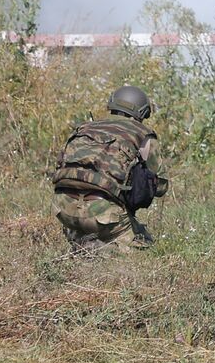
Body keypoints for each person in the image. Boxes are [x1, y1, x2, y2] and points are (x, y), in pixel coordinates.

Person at [51, 85, 169, 254]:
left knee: (84, 237)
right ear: (142, 112)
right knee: (145, 246)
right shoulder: (142, 133)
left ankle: (82, 244)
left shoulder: (84, 128)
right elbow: (161, 186)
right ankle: (104, 251)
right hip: (104, 216)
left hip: (63, 210)